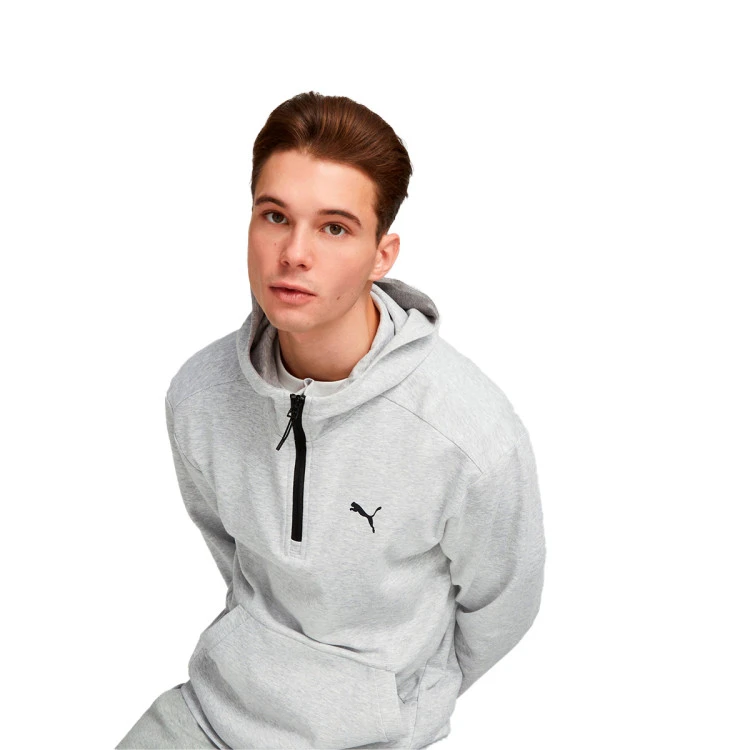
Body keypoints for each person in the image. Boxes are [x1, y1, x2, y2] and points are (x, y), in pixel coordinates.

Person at [116, 91, 546, 750]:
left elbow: (504, 601)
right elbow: (231, 551)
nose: (294, 252)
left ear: (382, 254)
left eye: (334, 228)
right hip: (211, 714)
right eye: (275, 216)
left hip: (371, 738)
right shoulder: (200, 394)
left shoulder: (466, 434)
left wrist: (397, 700)